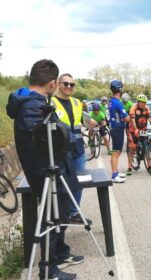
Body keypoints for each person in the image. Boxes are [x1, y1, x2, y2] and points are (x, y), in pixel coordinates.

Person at [6, 59, 83, 280]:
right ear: (51, 83)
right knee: (53, 217)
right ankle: (48, 271)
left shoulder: (31, 102)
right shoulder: (32, 105)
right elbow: (43, 141)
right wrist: (63, 132)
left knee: (61, 212)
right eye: (57, 84)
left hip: (52, 169)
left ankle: (60, 254)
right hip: (45, 172)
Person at [51, 73, 92, 225]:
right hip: (61, 151)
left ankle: (74, 213)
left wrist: (92, 123)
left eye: (72, 84)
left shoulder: (77, 102)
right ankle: (61, 216)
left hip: (79, 150)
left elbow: (84, 121)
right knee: (61, 185)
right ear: (58, 84)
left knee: (78, 183)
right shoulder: (51, 102)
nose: (69, 87)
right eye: (65, 83)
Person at [127, 94, 151, 175]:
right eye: (142, 102)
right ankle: (129, 167)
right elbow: (133, 120)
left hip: (143, 130)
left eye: (144, 103)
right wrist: (136, 129)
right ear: (138, 102)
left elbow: (150, 118)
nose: (143, 104)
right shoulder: (133, 108)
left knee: (147, 148)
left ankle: (149, 166)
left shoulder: (146, 108)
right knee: (132, 149)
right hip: (134, 129)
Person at [108, 80, 130, 183]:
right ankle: (114, 175)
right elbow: (127, 118)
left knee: (116, 152)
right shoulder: (118, 103)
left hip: (114, 127)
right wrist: (127, 117)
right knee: (116, 152)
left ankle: (115, 172)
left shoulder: (111, 101)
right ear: (120, 90)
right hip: (117, 129)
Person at [121, 93, 134, 174]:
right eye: (124, 101)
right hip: (125, 119)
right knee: (127, 130)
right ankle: (128, 140)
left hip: (130, 119)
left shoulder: (130, 104)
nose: (125, 103)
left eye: (126, 101)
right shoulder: (121, 104)